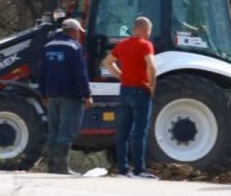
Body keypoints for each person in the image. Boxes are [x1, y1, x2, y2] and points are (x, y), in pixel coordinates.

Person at [102, 16, 158, 179]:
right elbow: (151, 66)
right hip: (141, 91)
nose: (148, 34)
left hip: (125, 91)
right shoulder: (146, 45)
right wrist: (151, 86)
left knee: (123, 132)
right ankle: (139, 169)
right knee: (140, 132)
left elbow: (107, 62)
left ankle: (123, 169)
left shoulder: (123, 44)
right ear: (144, 29)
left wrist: (121, 76)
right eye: (148, 31)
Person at [38, 18, 93, 175]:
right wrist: (86, 94)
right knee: (66, 131)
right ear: (74, 31)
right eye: (79, 32)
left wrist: (43, 93)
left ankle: (52, 166)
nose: (79, 36)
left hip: (52, 94)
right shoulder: (75, 48)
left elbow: (41, 73)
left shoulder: (48, 47)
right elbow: (80, 73)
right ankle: (62, 167)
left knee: (54, 131)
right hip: (70, 95)